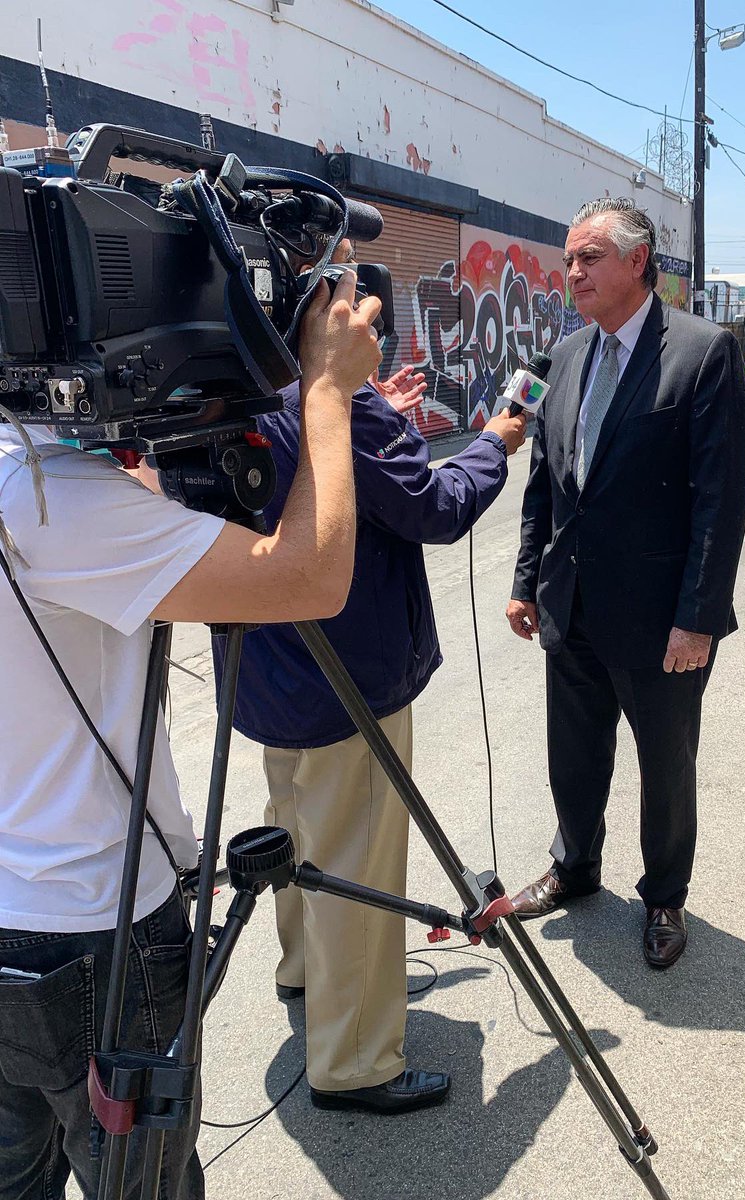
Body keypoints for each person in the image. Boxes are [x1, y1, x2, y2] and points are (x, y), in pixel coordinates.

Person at [0, 271, 381, 1198]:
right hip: (87, 930)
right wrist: (326, 391)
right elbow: (308, 579)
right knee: (147, 1186)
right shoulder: (45, 497)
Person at [217, 239, 526, 1114]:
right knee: (355, 857)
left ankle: (307, 978)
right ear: (319, 308)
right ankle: (353, 1061)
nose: (372, 314)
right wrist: (496, 443)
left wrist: (371, 414)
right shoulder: (348, 412)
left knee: (297, 828)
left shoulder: (233, 394)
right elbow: (434, 508)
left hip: (270, 676)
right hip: (350, 682)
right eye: (355, 297)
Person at [505, 197, 745, 969]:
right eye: (569, 258)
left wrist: (699, 618)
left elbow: (721, 500)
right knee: (573, 755)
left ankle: (665, 897)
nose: (571, 271)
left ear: (637, 262)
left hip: (660, 621)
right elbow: (546, 480)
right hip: (570, 604)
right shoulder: (566, 355)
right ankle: (575, 867)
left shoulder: (703, 352)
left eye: (588, 258)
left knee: (665, 767)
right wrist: (524, 581)